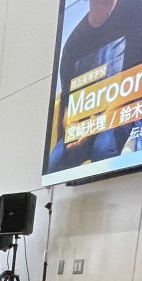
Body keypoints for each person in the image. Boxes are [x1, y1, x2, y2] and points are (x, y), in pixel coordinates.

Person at [47, 0, 142, 173]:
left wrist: (99, 124)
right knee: (54, 162)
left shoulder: (135, 10)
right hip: (87, 125)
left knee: (104, 147)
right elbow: (67, 105)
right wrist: (73, 128)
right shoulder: (72, 44)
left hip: (124, 112)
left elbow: (136, 81)